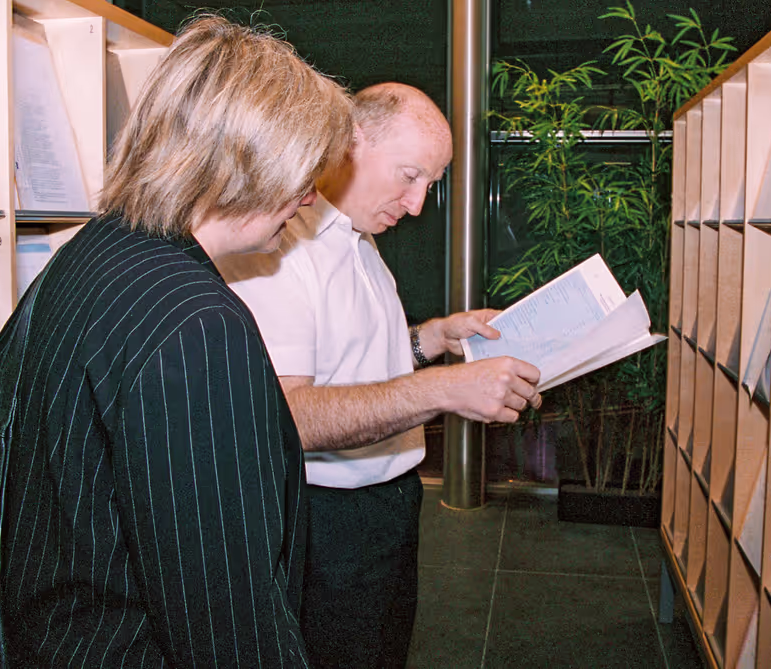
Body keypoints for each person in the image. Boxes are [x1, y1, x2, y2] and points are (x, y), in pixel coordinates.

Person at [0, 17, 353, 666]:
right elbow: (225, 621)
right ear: (245, 162)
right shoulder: (199, 324)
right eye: (302, 174)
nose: (307, 200)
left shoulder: (92, 253)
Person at [217, 82, 542, 668]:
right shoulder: (281, 245)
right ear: (350, 142)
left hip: (388, 506)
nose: (417, 205)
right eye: (409, 175)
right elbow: (289, 414)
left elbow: (362, 364)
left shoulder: (359, 238)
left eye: (430, 186)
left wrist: (436, 337)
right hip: (327, 522)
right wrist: (444, 390)